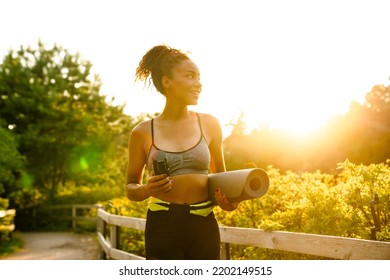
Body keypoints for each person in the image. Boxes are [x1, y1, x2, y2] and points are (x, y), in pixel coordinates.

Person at [125, 45, 238, 260]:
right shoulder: (142, 132)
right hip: (163, 226)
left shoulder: (210, 124)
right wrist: (147, 189)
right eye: (190, 76)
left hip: (204, 224)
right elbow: (130, 188)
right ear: (167, 81)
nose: (199, 84)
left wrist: (229, 201)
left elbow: (222, 179)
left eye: (198, 77)